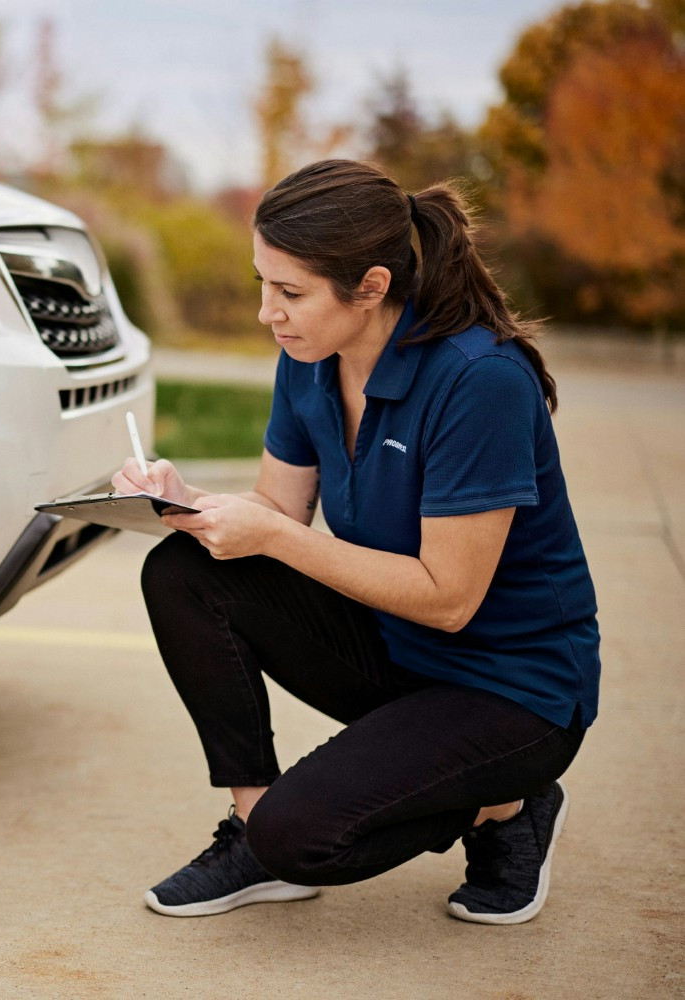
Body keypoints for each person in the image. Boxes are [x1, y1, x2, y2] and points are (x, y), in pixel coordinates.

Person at [117, 159, 599, 925]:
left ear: (371, 286)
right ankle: (253, 829)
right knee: (184, 570)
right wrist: (187, 503)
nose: (266, 313)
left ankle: (510, 805)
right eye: (262, 284)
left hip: (513, 691)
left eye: (291, 292)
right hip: (394, 653)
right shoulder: (307, 358)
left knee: (305, 838)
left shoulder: (482, 382)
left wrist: (271, 533)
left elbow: (449, 600)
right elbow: (278, 508)